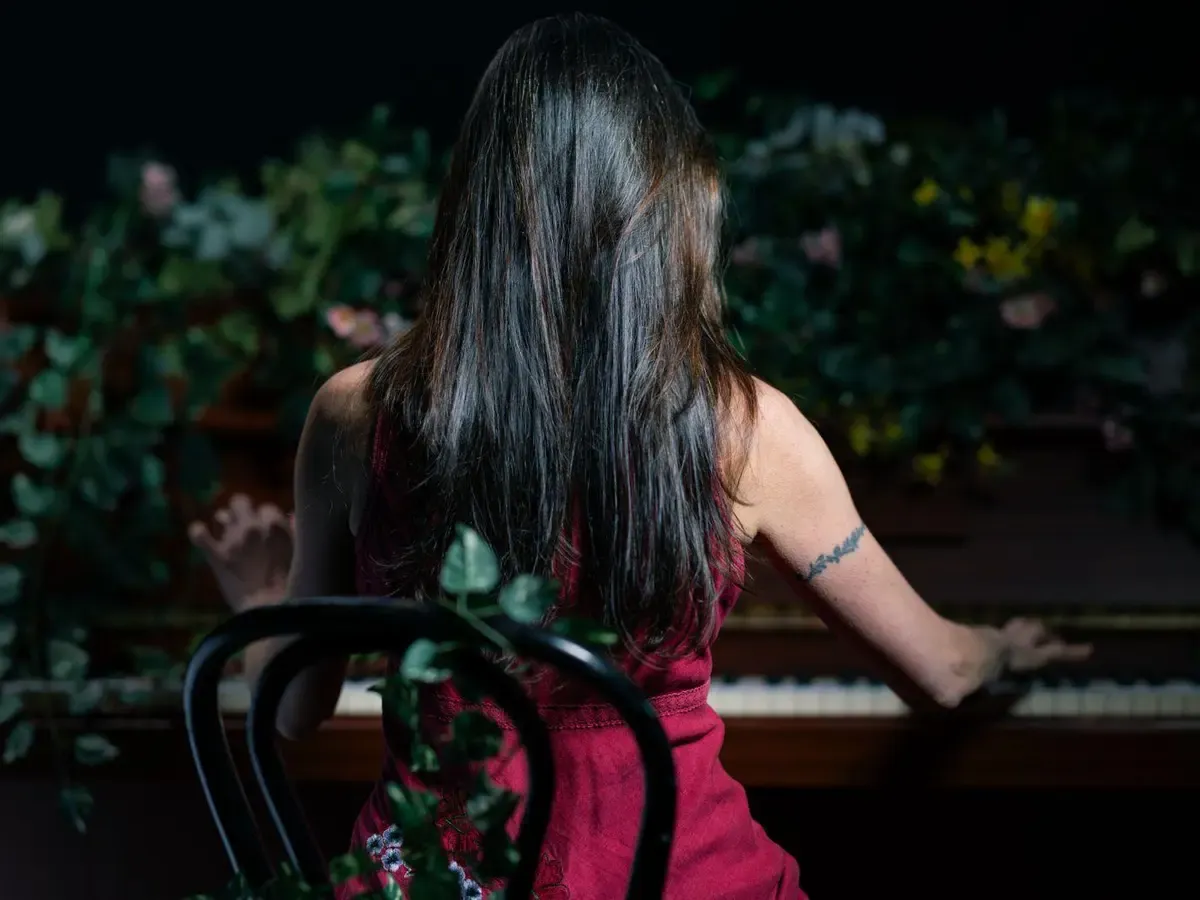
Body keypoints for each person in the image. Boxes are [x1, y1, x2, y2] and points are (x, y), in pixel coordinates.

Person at [189, 14, 1089, 899]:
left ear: (477, 207)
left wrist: (259, 601)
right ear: (670, 218)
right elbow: (942, 672)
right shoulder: (746, 429)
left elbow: (297, 711)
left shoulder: (353, 415)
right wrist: (1002, 646)